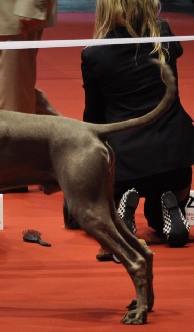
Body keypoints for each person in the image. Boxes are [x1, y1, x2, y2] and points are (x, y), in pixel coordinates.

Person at [80, 0, 194, 259]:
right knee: (159, 213)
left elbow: (93, 120)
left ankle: (122, 215)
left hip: (125, 166)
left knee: (93, 209)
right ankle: (170, 205)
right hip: (175, 157)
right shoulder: (164, 36)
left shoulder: (94, 55)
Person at [0, 0, 57, 193]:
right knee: (5, 90)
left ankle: (16, 169)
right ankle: (64, 146)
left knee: (14, 94)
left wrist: (32, 5)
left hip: (17, 13)